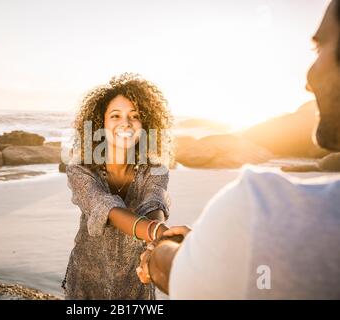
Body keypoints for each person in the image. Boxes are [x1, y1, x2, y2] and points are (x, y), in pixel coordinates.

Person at [137, 1, 340, 299]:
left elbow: (183, 276)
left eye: (319, 48)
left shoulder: (260, 211)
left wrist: (160, 256)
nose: (308, 80)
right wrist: (214, 250)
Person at [62, 73, 174, 299]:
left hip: (136, 285)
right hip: (87, 284)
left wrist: (158, 242)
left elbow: (154, 204)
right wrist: (157, 233)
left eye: (135, 116)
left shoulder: (155, 169)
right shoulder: (80, 170)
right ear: (99, 123)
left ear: (145, 124)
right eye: (115, 116)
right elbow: (108, 210)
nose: (126, 123)